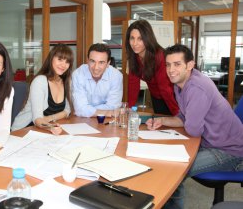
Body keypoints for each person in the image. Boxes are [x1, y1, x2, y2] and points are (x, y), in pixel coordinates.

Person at [146, 44, 243, 209]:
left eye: (177, 64)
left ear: (190, 65)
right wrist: (162, 121)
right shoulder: (181, 83)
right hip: (209, 142)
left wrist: (187, 120)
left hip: (229, 150)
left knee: (173, 171)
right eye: (168, 65)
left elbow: (193, 129)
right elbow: (185, 118)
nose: (171, 70)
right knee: (166, 158)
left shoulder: (197, 87)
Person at [12, 44, 74, 134]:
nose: (63, 65)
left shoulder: (67, 82)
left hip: (45, 131)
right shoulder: (40, 81)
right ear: (51, 58)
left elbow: (67, 111)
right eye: (60, 59)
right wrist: (51, 127)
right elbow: (37, 119)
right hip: (24, 130)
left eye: (67, 62)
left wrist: (49, 118)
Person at [126, 19, 179, 115]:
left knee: (176, 125)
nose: (135, 43)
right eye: (132, 38)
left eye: (140, 39)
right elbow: (133, 84)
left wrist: (177, 115)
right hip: (156, 98)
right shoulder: (133, 57)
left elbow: (165, 89)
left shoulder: (160, 57)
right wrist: (130, 109)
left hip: (172, 97)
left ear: (147, 38)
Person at [72, 43, 123, 117]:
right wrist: (108, 112)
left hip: (107, 121)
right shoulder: (78, 74)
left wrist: (86, 110)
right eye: (92, 61)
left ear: (108, 63)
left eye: (101, 62)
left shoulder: (116, 76)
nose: (96, 67)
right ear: (87, 60)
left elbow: (113, 106)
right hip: (82, 121)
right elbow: (80, 109)